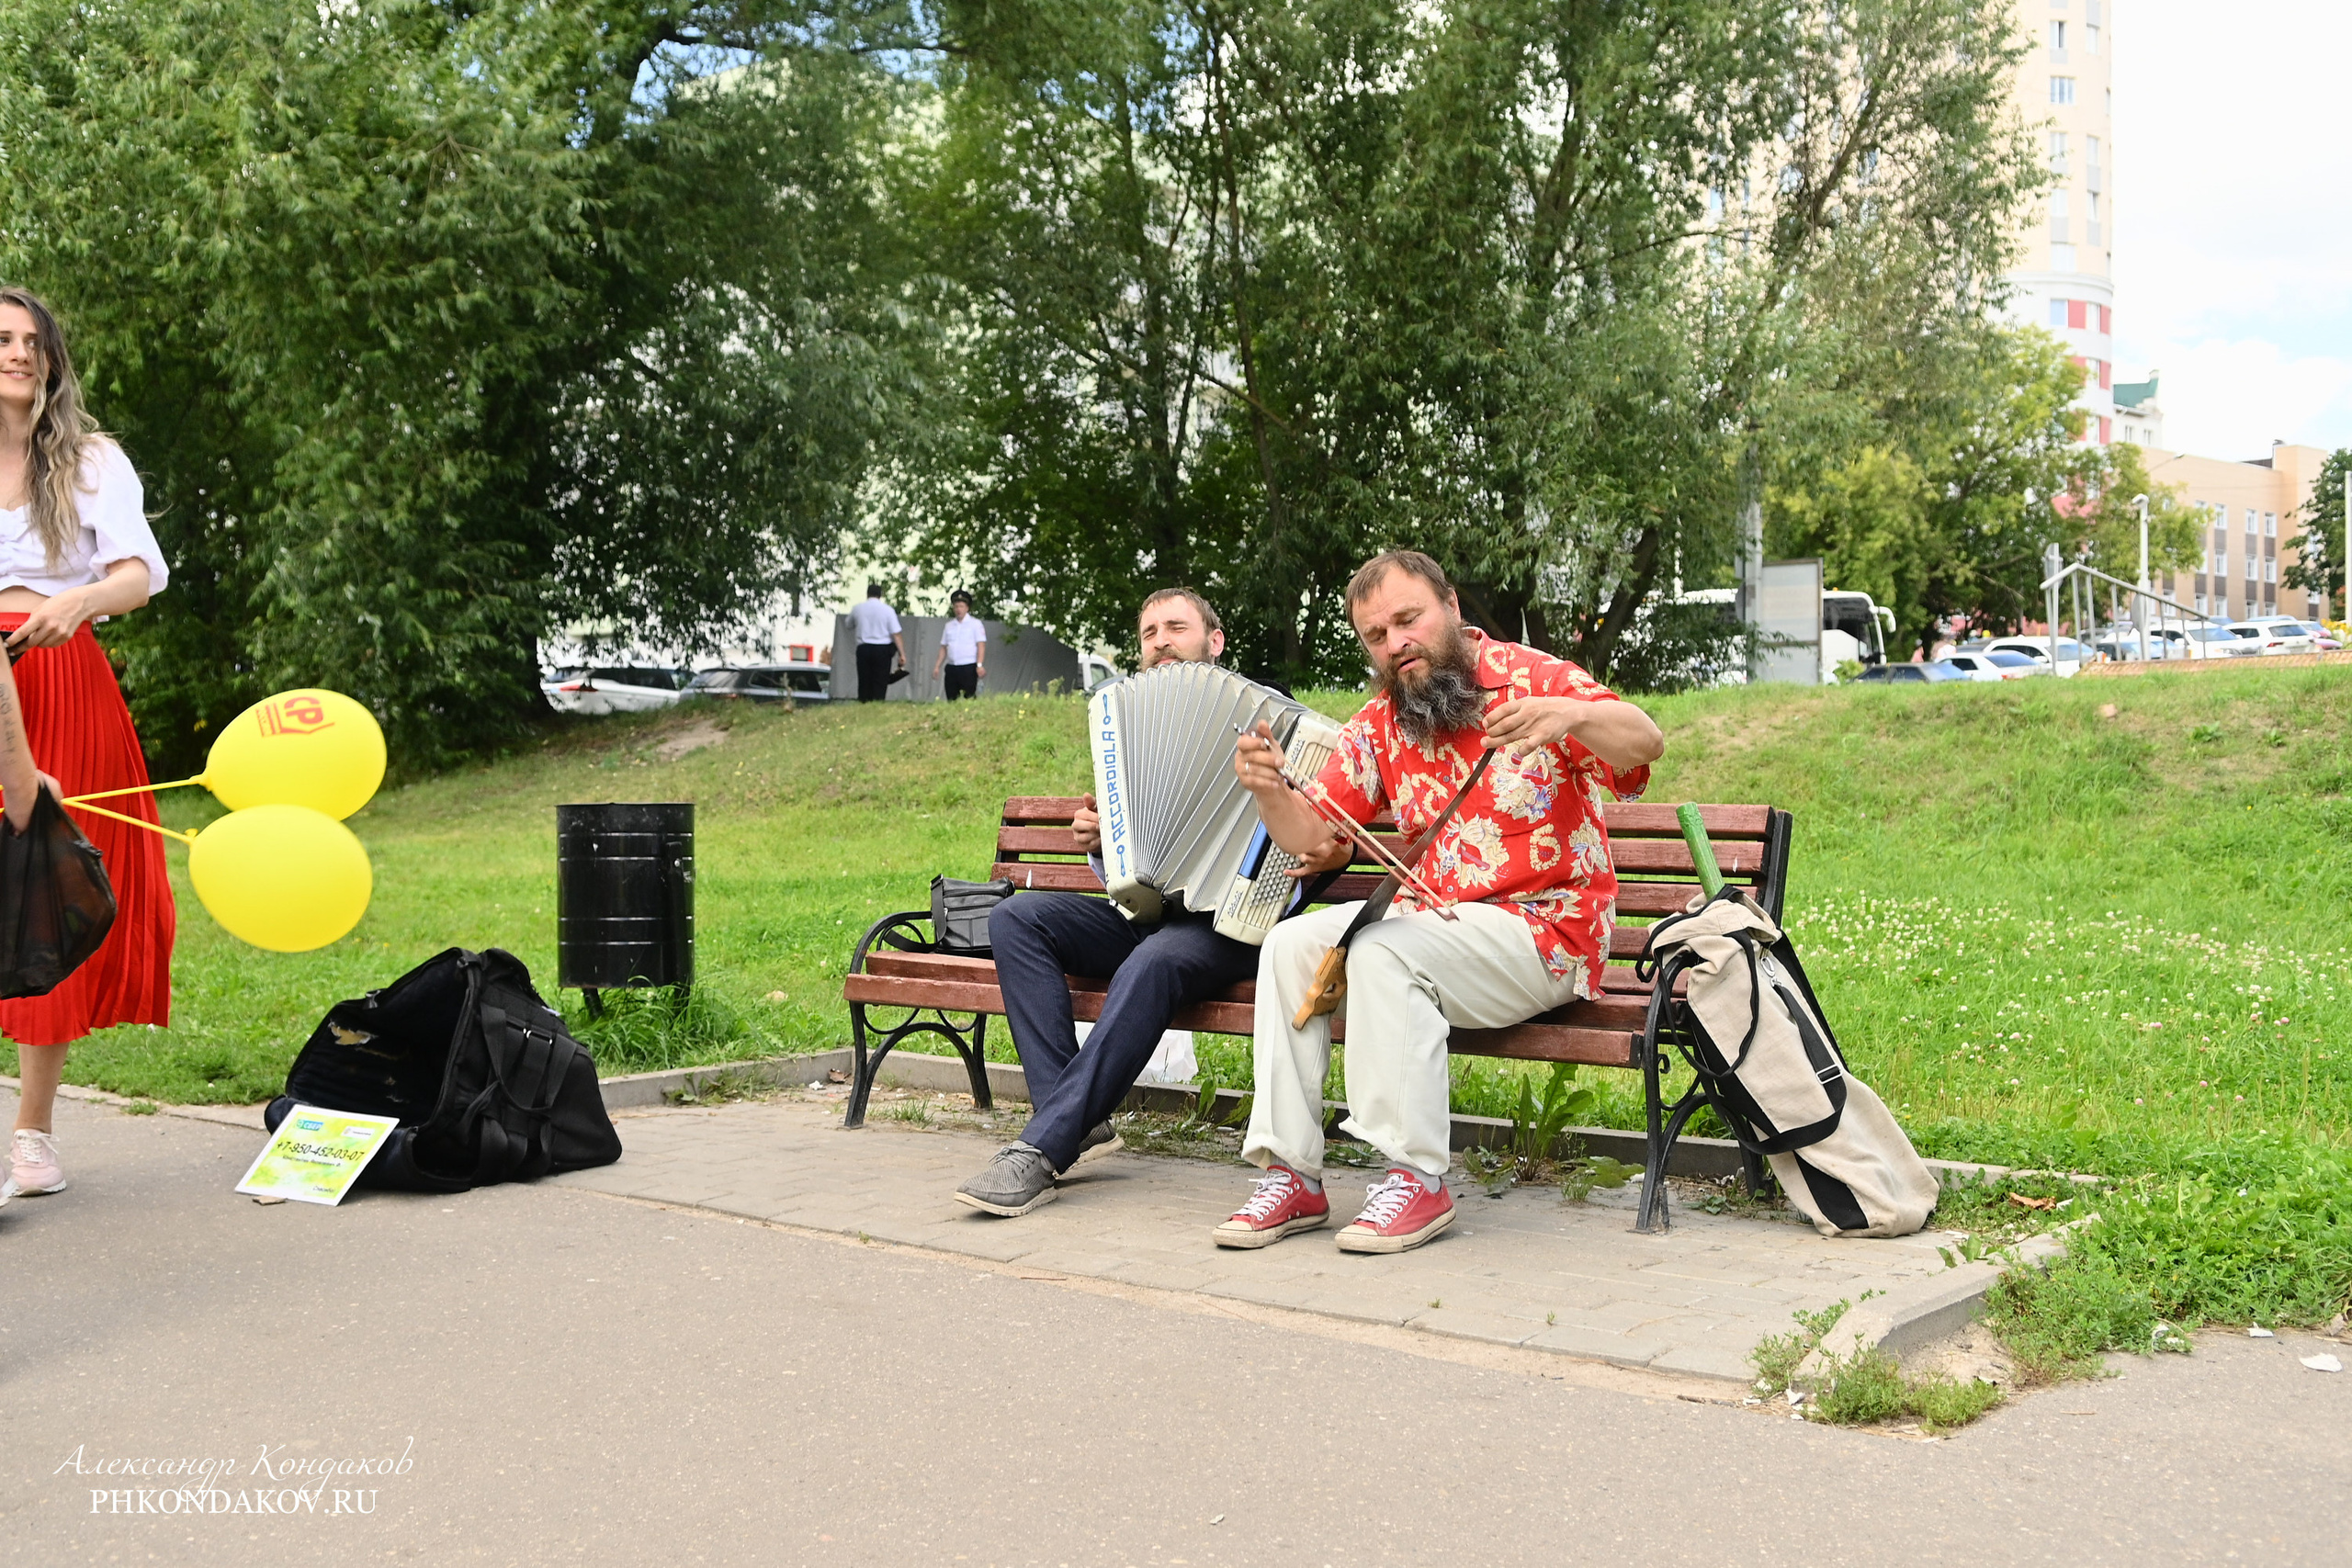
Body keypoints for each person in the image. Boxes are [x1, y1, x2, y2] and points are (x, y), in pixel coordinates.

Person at [1216, 550, 1661, 1254]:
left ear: (1450, 606)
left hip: (1546, 932)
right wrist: (1270, 790)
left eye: (1408, 619)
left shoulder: (1532, 678)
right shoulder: (1381, 721)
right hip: (1437, 928)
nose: (1396, 642)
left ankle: (1416, 1178)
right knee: (1290, 946)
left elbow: (1645, 743)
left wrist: (1572, 713)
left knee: (1382, 948)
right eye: (1376, 635)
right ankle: (1293, 1173)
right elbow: (1316, 834)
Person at [954, 588, 1348, 1216]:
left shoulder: (1273, 714)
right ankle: (1074, 1116)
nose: (1161, 640)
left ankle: (1044, 1145)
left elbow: (1324, 834)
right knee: (1016, 918)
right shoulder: (1129, 718)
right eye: (1148, 632)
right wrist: (1101, 841)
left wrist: (1304, 856)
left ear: (1214, 641)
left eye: (1176, 627)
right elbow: (1135, 849)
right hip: (1149, 914)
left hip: (1230, 923)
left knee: (1154, 961)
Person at [0, 287, 174, 1200]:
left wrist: (79, 601)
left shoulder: (91, 459)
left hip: (61, 678)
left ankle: (32, 1134)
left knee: (43, 885)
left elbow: (141, 573)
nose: (19, 353)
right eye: (2, 338)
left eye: (34, 341)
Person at [850, 581, 905, 703]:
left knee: (864, 679)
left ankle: (863, 703)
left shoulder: (857, 608)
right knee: (880, 680)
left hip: (864, 648)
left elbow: (848, 624)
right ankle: (878, 702)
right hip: (882, 650)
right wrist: (902, 654)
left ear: (867, 594)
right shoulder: (888, 610)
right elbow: (896, 633)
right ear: (880, 595)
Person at [933, 591, 986, 701]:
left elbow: (981, 645)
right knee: (951, 698)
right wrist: (937, 666)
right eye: (956, 606)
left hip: (968, 666)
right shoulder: (949, 626)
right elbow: (944, 647)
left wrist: (979, 665)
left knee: (969, 698)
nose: (958, 609)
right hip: (952, 667)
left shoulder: (975, 624)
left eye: (961, 606)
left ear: (967, 608)